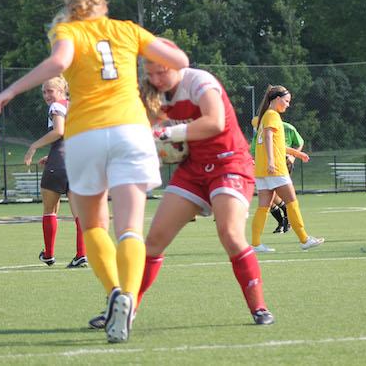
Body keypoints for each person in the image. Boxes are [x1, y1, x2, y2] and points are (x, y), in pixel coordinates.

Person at [0, 0, 189, 344]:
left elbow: (59, 62)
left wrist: (11, 90)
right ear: (104, 3)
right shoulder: (128, 30)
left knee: (94, 225)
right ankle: (129, 296)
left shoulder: (68, 31)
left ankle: (114, 293)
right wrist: (155, 76)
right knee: (129, 227)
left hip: (87, 135)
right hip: (131, 129)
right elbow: (178, 59)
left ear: (71, 5)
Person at [133, 63, 274, 326]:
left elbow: (214, 122)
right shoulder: (152, 92)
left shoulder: (198, 81)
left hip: (229, 162)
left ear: (177, 63)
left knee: (230, 233)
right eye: (150, 72)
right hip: (193, 169)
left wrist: (165, 134)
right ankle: (123, 310)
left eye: (161, 70)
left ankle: (259, 307)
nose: (156, 77)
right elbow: (145, 130)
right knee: (154, 240)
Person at [24, 76, 88, 269]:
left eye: (50, 91)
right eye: (44, 92)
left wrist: (33, 146)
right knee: (80, 214)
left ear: (61, 91)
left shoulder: (56, 107)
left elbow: (59, 132)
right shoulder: (76, 106)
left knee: (50, 210)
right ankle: (81, 255)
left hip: (59, 163)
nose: (46, 95)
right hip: (77, 162)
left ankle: (49, 254)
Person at [251, 85, 324, 252]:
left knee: (263, 206)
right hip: (274, 168)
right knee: (291, 201)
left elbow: (278, 145)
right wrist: (271, 161)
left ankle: (255, 244)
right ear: (277, 99)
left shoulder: (265, 116)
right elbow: (269, 138)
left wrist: (298, 154)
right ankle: (305, 239)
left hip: (262, 170)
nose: (288, 104)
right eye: (286, 101)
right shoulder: (272, 115)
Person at [249, 116, 305, 233]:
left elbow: (299, 142)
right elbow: (254, 150)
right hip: (265, 164)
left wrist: (293, 156)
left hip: (282, 163)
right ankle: (283, 218)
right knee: (269, 196)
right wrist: (253, 159)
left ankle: (294, 227)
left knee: (279, 194)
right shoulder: (260, 131)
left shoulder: (287, 127)